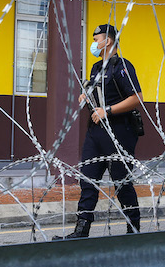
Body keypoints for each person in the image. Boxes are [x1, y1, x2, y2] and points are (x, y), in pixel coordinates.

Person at [53, 24, 142, 240]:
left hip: (120, 131)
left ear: (108, 41)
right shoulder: (95, 68)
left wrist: (108, 111)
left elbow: (136, 97)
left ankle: (134, 230)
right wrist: (86, 97)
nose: (93, 43)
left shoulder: (121, 66)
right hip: (96, 132)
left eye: (96, 39)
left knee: (121, 182)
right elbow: (94, 90)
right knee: (88, 180)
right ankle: (81, 230)